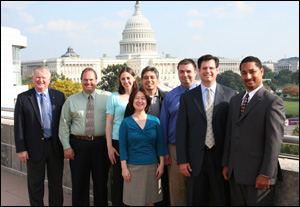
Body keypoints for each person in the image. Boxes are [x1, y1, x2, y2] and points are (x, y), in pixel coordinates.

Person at [222, 56, 285, 206]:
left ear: (261, 71)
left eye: (252, 72)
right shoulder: (236, 100)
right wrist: (226, 164)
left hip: (258, 175)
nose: (248, 76)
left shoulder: (272, 102)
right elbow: (230, 135)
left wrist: (266, 174)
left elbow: (274, 142)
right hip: (235, 174)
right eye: (244, 73)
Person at [176, 54, 237, 206]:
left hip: (220, 159)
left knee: (221, 199)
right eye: (204, 68)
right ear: (198, 70)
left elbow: (232, 132)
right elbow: (181, 131)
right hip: (195, 159)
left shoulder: (231, 95)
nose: (207, 71)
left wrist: (229, 161)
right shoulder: (188, 98)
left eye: (211, 68)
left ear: (217, 70)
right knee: (195, 199)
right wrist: (182, 161)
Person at [59, 68, 111, 206]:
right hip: (78, 145)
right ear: (81, 81)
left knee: (101, 183)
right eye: (85, 80)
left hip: (101, 145)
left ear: (96, 81)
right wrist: (67, 146)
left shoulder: (108, 98)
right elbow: (64, 124)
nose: (88, 82)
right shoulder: (71, 101)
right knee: (79, 183)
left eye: (91, 80)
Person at [14, 65, 65, 206]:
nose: (40, 80)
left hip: (55, 147)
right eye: (37, 77)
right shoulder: (23, 98)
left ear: (49, 79)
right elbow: (19, 125)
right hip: (33, 148)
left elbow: (65, 122)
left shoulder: (59, 96)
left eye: (44, 77)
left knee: (56, 184)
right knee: (35, 185)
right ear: (33, 79)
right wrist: (21, 149)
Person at [124, 66, 170, 206]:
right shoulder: (135, 101)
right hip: (140, 151)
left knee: (161, 188)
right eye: (145, 78)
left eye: (152, 77)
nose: (149, 80)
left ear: (158, 80)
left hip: (163, 148)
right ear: (141, 81)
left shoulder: (166, 98)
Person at [160, 59, 198, 206]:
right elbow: (164, 124)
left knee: (197, 188)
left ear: (195, 72)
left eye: (188, 71)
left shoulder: (203, 93)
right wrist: (165, 151)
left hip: (197, 148)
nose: (185, 75)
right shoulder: (171, 96)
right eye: (182, 71)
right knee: (177, 188)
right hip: (175, 148)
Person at [119, 87, 165, 206]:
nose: (140, 101)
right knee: (134, 201)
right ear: (132, 101)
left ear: (147, 101)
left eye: (143, 98)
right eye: (137, 98)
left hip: (152, 167)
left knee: (150, 202)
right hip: (132, 168)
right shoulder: (126, 123)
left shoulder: (155, 121)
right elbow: (123, 147)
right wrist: (124, 168)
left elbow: (160, 145)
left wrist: (162, 165)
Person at [106, 67, 138, 206]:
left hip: (136, 142)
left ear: (134, 78)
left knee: (135, 177)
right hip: (118, 141)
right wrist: (109, 146)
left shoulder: (140, 95)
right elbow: (109, 122)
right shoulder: (114, 97)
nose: (126, 81)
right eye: (123, 78)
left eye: (128, 78)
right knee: (118, 178)